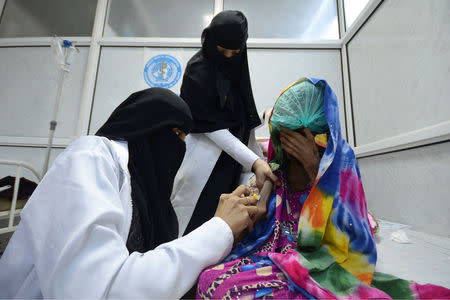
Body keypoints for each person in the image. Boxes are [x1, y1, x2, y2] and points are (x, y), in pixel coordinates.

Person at [196, 78, 450, 299]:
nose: (283, 143)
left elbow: (353, 244)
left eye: (290, 136)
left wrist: (315, 171)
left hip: (319, 260)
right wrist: (262, 201)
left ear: (317, 134)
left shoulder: (340, 164)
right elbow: (264, 200)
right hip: (276, 252)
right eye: (280, 134)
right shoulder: (278, 162)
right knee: (209, 279)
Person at [0, 88, 260, 299]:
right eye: (175, 133)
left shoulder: (148, 198)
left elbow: (152, 266)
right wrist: (219, 229)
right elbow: (100, 290)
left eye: (184, 138)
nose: (179, 147)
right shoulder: (91, 158)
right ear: (145, 122)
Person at [172, 10, 278, 237]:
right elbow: (213, 128)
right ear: (210, 42)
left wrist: (258, 154)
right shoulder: (197, 72)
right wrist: (255, 162)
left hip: (231, 166)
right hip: (203, 167)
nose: (229, 56)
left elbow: (239, 122)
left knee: (223, 236)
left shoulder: (237, 73)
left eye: (235, 51)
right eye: (222, 50)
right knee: (193, 232)